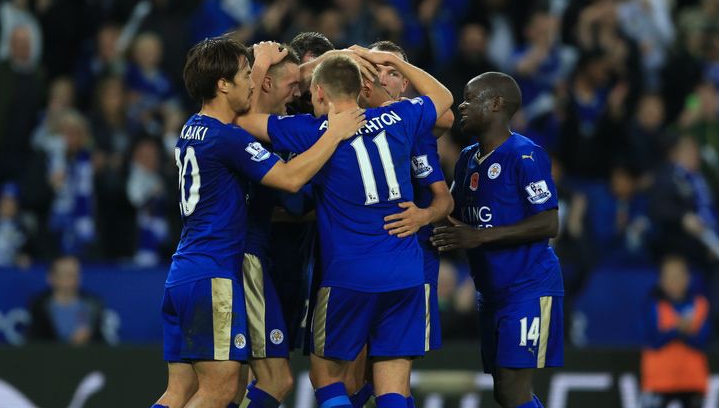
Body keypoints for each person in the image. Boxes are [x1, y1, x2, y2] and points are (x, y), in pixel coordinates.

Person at [151, 37, 365, 408]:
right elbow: (290, 179)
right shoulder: (227, 138)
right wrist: (333, 133)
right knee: (220, 390)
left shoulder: (192, 128)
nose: (252, 83)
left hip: (184, 271)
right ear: (222, 84)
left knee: (178, 392)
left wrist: (260, 64)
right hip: (215, 274)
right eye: (247, 75)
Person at [237, 48, 453, 408]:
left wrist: (260, 67)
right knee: (394, 387)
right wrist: (396, 62)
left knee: (327, 378)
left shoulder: (312, 130)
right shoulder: (399, 116)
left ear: (319, 93)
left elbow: (243, 121)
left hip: (349, 275)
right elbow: (444, 98)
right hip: (405, 271)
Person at [431, 72, 564, 408]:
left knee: (514, 386)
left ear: (495, 104)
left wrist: (479, 236)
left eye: (469, 97)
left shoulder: (525, 155)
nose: (461, 105)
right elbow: (449, 211)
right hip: (491, 291)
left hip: (529, 286)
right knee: (504, 391)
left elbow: (549, 222)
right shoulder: (466, 158)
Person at [234, 44, 301, 408]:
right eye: (291, 83)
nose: (299, 92)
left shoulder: (237, 132)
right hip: (246, 259)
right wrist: (334, 135)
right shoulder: (238, 134)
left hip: (236, 258)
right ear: (265, 83)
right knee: (275, 379)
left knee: (228, 385)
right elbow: (292, 190)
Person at [641, 255, 710, 408]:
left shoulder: (700, 304)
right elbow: (654, 340)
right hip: (659, 380)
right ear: (661, 280)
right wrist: (677, 329)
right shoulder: (653, 305)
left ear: (688, 278)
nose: (675, 281)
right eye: (670, 276)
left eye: (679, 275)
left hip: (692, 380)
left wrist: (683, 332)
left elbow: (702, 341)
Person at [26, 256, 105, 345]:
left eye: (75, 274)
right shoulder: (39, 306)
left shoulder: (91, 305)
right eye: (65, 274)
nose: (71, 279)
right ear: (51, 278)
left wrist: (87, 339)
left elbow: (101, 343)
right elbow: (33, 341)